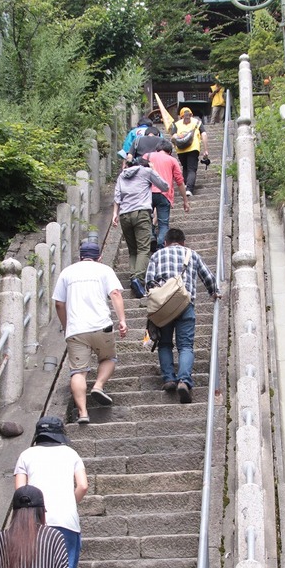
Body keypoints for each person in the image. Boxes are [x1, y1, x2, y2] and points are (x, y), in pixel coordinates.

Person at [53, 240, 128, 424]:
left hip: (76, 329)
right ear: (99, 257)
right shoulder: (104, 270)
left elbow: (59, 303)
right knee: (109, 358)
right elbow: (116, 294)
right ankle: (99, 385)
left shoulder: (67, 272)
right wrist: (122, 320)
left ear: (80, 256)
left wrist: (66, 326)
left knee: (78, 372)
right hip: (101, 325)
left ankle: (83, 413)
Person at [145, 227, 220, 403]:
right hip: (185, 304)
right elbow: (208, 277)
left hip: (163, 307)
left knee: (164, 344)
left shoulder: (156, 256)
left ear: (165, 242)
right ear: (184, 242)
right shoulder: (191, 254)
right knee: (185, 346)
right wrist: (214, 292)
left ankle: (169, 379)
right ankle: (184, 381)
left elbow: (148, 283)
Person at [14, 416, 88, 568]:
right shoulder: (71, 453)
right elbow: (83, 486)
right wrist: (70, 502)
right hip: (66, 521)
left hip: (34, 522)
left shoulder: (26, 455)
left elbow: (20, 493)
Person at [112, 157, 169, 298]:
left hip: (124, 215)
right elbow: (164, 186)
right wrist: (153, 170)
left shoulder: (122, 175)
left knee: (132, 250)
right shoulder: (146, 171)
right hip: (141, 213)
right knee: (144, 248)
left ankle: (133, 278)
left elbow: (117, 196)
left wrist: (114, 214)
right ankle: (138, 278)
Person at [145, 139, 190, 249]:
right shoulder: (172, 160)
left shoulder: (147, 156)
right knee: (163, 224)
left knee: (146, 220)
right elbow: (180, 181)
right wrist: (185, 200)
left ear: (157, 149)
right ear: (169, 151)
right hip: (164, 194)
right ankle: (161, 246)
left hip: (146, 193)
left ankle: (150, 236)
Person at [170, 107, 209, 197]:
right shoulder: (197, 122)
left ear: (181, 116)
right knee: (191, 169)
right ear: (191, 114)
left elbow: (173, 137)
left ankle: (185, 185)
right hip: (193, 148)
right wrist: (205, 149)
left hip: (180, 149)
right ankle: (189, 189)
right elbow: (204, 134)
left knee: (185, 167)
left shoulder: (177, 124)